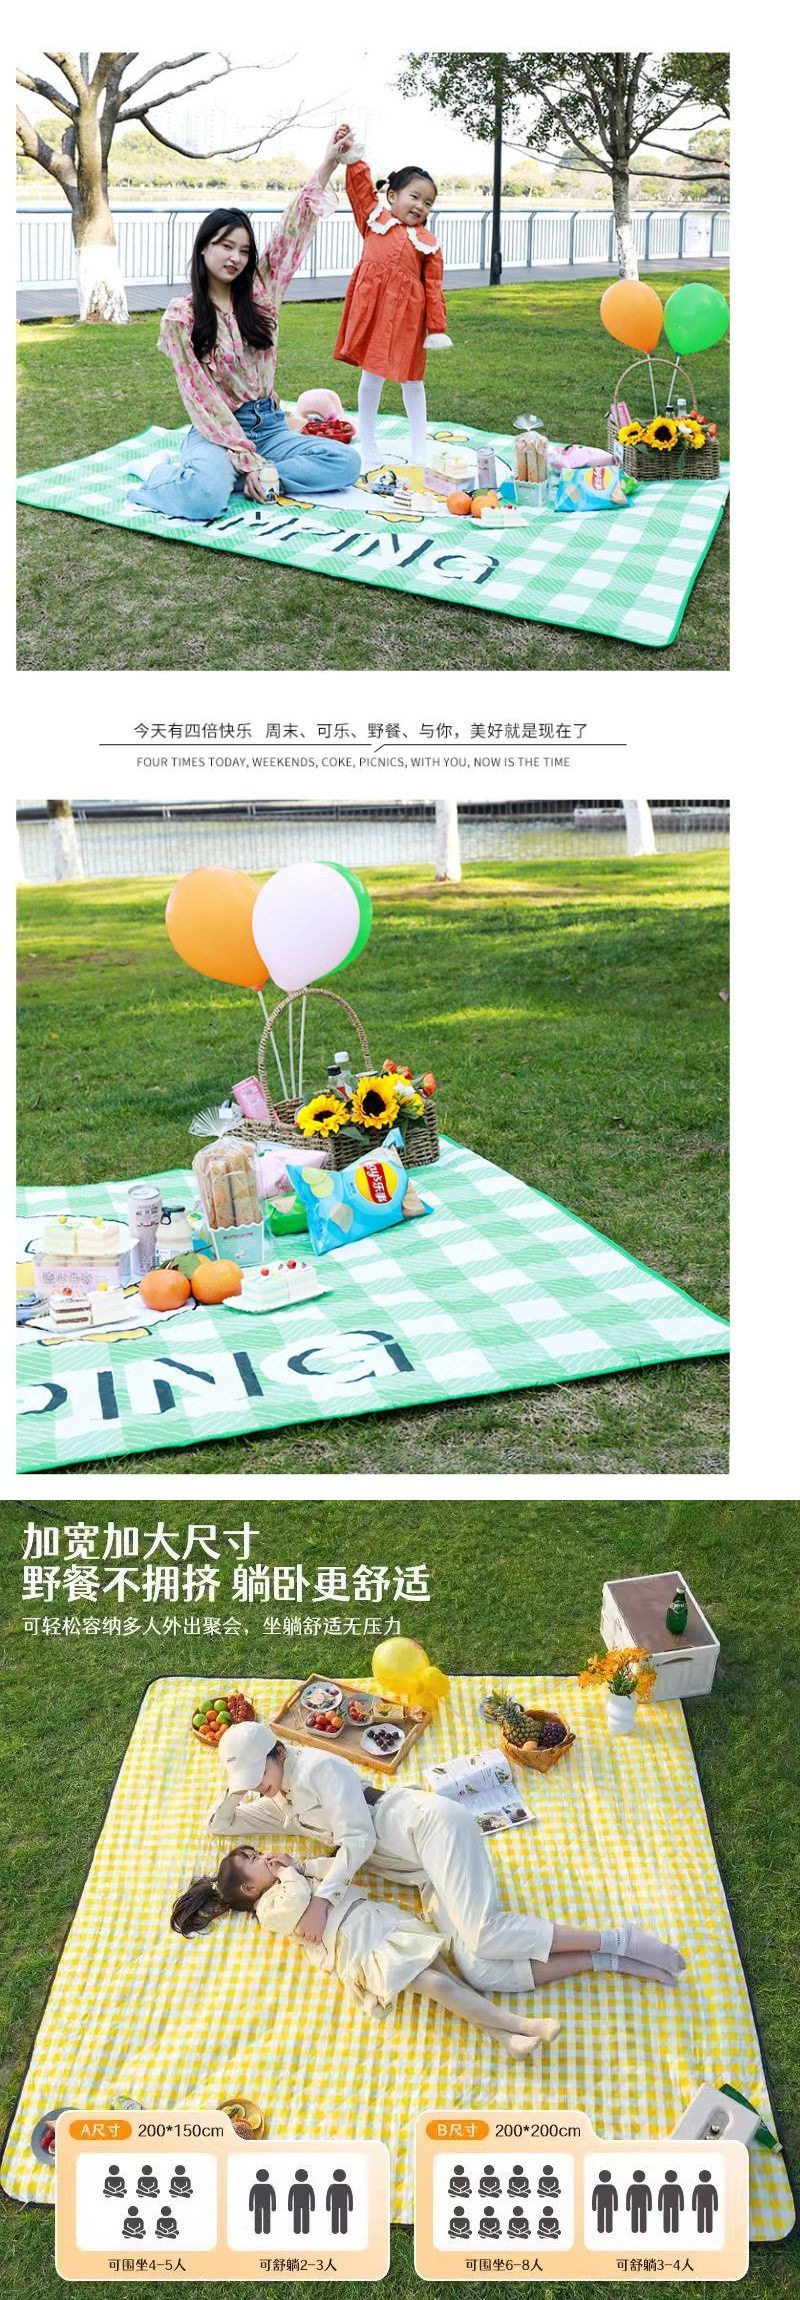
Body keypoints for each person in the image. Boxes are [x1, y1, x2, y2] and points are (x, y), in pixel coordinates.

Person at [206, 1723, 687, 1994]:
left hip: (427, 1826)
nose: (257, 1788)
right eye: (250, 1783)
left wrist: (323, 1900)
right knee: (481, 1972)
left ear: (277, 1751)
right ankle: (604, 1960)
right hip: (419, 1871)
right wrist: (237, 1788)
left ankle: (621, 1938)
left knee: (485, 1932)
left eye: (257, 1775)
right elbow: (220, 1825)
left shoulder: (319, 1768)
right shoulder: (281, 1800)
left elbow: (359, 1837)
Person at [128, 125, 361, 523]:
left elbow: (293, 230)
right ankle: (163, 474)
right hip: (217, 431)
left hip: (270, 428)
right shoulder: (182, 316)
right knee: (205, 500)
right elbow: (200, 398)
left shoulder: (261, 292)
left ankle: (246, 478)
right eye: (225, 246)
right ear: (204, 248)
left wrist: (329, 162)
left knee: (345, 462)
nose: (235, 258)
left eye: (243, 250)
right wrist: (244, 457)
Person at [170, 1846, 560, 2060]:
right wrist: (290, 1874)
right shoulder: (270, 1909)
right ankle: (523, 2025)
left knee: (446, 1975)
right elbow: (298, 1899)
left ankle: (504, 2038)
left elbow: (337, 1870)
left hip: (379, 1922)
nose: (264, 1857)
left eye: (256, 1852)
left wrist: (300, 1864)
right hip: (359, 1946)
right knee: (436, 1985)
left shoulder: (296, 1874)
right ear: (250, 1890)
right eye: (254, 1861)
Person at [332, 146, 452, 468]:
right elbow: (359, 191)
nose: (420, 206)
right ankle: (369, 444)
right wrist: (353, 159)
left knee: (413, 381)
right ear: (393, 195)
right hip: (373, 313)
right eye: (415, 196)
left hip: (408, 320)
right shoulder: (374, 220)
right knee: (371, 378)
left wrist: (436, 328)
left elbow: (433, 287)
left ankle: (419, 449)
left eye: (428, 203)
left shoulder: (428, 243)